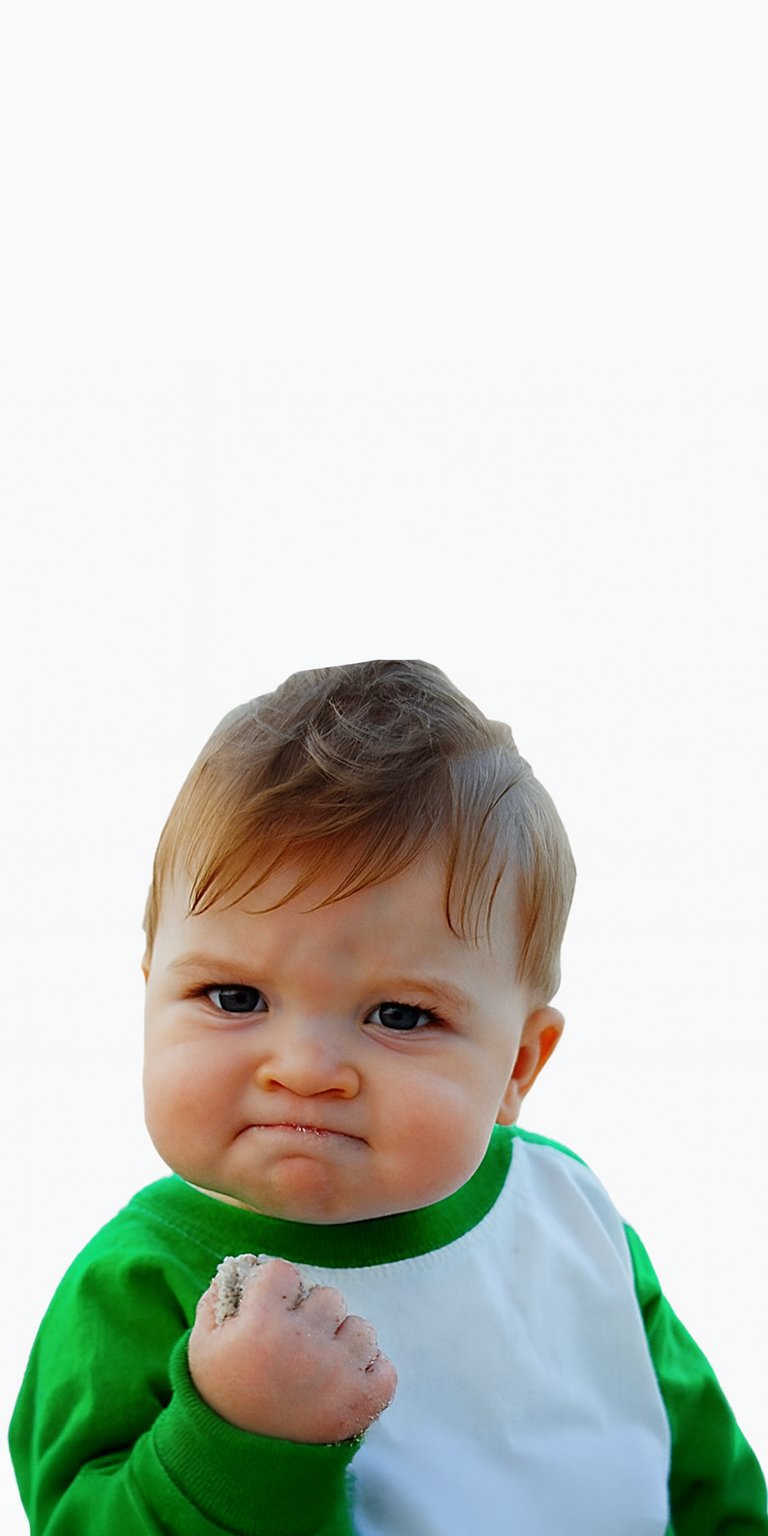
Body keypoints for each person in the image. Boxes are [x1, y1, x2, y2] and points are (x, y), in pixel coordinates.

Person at [9, 659, 767, 1535]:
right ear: (148, 994)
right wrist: (232, 1440)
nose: (303, 1068)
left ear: (519, 1066)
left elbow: (704, 1469)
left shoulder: (569, 1215)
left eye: (400, 1014)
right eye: (234, 998)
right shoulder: (137, 1287)